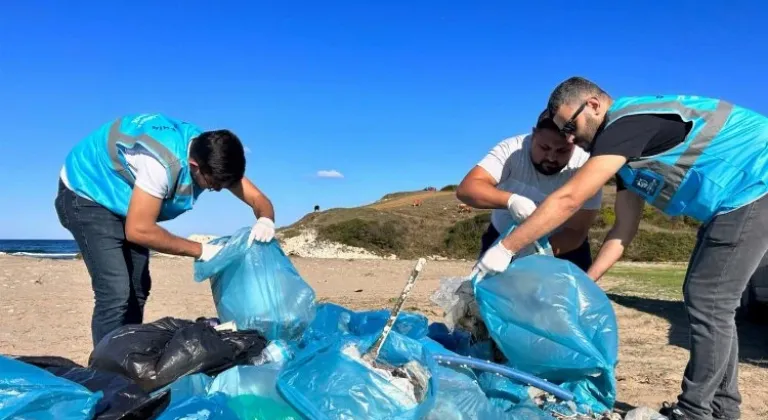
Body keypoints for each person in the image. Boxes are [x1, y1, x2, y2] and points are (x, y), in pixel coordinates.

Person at [473, 76, 768, 420]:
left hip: (755, 185)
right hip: (735, 200)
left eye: (570, 126)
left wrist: (506, 247)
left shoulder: (624, 125)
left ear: (594, 105)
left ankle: (695, 411)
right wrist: (589, 278)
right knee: (711, 300)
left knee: (709, 300)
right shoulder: (625, 160)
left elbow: (569, 199)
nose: (569, 138)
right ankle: (721, 407)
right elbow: (622, 231)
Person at [55, 113, 276, 346]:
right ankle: (105, 371)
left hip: (123, 198)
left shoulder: (213, 153)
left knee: (139, 288)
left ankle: (125, 354)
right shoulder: (160, 163)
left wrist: (265, 220)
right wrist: (201, 250)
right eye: (213, 185)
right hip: (87, 190)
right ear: (194, 166)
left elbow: (257, 198)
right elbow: (139, 230)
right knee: (115, 292)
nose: (218, 190)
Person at [456, 110, 602, 272]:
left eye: (562, 151)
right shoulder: (511, 149)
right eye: (544, 147)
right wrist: (510, 201)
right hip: (502, 236)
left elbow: (576, 231)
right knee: (489, 294)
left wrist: (534, 252)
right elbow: (467, 188)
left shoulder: (586, 165)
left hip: (564, 246)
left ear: (574, 143)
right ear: (534, 135)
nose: (551, 157)